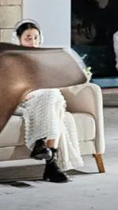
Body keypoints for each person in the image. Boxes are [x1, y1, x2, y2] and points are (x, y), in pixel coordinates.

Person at [15, 20, 84, 183]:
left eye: (35, 37)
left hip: (44, 98)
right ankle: (50, 161)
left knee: (53, 95)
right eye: (28, 38)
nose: (33, 42)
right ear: (19, 40)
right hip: (22, 101)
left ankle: (44, 148)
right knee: (55, 101)